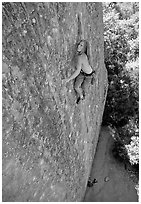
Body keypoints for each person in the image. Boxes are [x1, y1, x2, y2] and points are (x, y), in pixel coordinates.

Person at [64, 39, 95, 104]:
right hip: (82, 73)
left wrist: (68, 79)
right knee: (76, 87)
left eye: (81, 46)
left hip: (89, 75)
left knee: (84, 88)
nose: (78, 46)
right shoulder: (81, 55)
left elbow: (77, 71)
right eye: (79, 44)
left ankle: (83, 95)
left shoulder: (81, 57)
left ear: (84, 48)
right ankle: (81, 96)